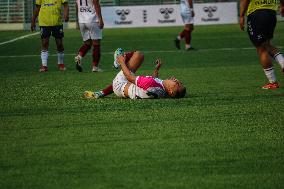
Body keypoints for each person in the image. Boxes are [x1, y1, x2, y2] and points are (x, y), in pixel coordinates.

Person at [84, 48, 186, 99]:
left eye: (177, 84)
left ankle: (116, 61)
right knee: (137, 57)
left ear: (171, 91)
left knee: (138, 55)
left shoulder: (150, 83)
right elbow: (156, 82)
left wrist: (122, 62)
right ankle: (101, 93)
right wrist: (156, 70)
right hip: (124, 88)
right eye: (179, 82)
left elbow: (129, 77)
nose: (177, 81)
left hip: (119, 85)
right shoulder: (163, 92)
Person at [239, 0, 284, 89]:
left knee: (261, 48)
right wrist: (282, 6)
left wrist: (241, 16)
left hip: (257, 14)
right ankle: (283, 63)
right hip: (271, 14)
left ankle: (272, 82)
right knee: (266, 44)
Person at [31, 0, 69, 72]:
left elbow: (66, 5)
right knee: (45, 43)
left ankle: (61, 64)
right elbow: (37, 8)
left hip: (57, 22)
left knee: (59, 44)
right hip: (44, 22)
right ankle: (44, 65)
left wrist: (66, 14)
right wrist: (33, 19)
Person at [74, 0, 104, 72]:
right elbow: (96, 4)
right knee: (96, 45)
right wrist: (100, 19)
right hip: (92, 20)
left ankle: (79, 56)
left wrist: (77, 21)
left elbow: (76, 6)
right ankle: (95, 67)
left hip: (82, 21)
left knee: (87, 44)